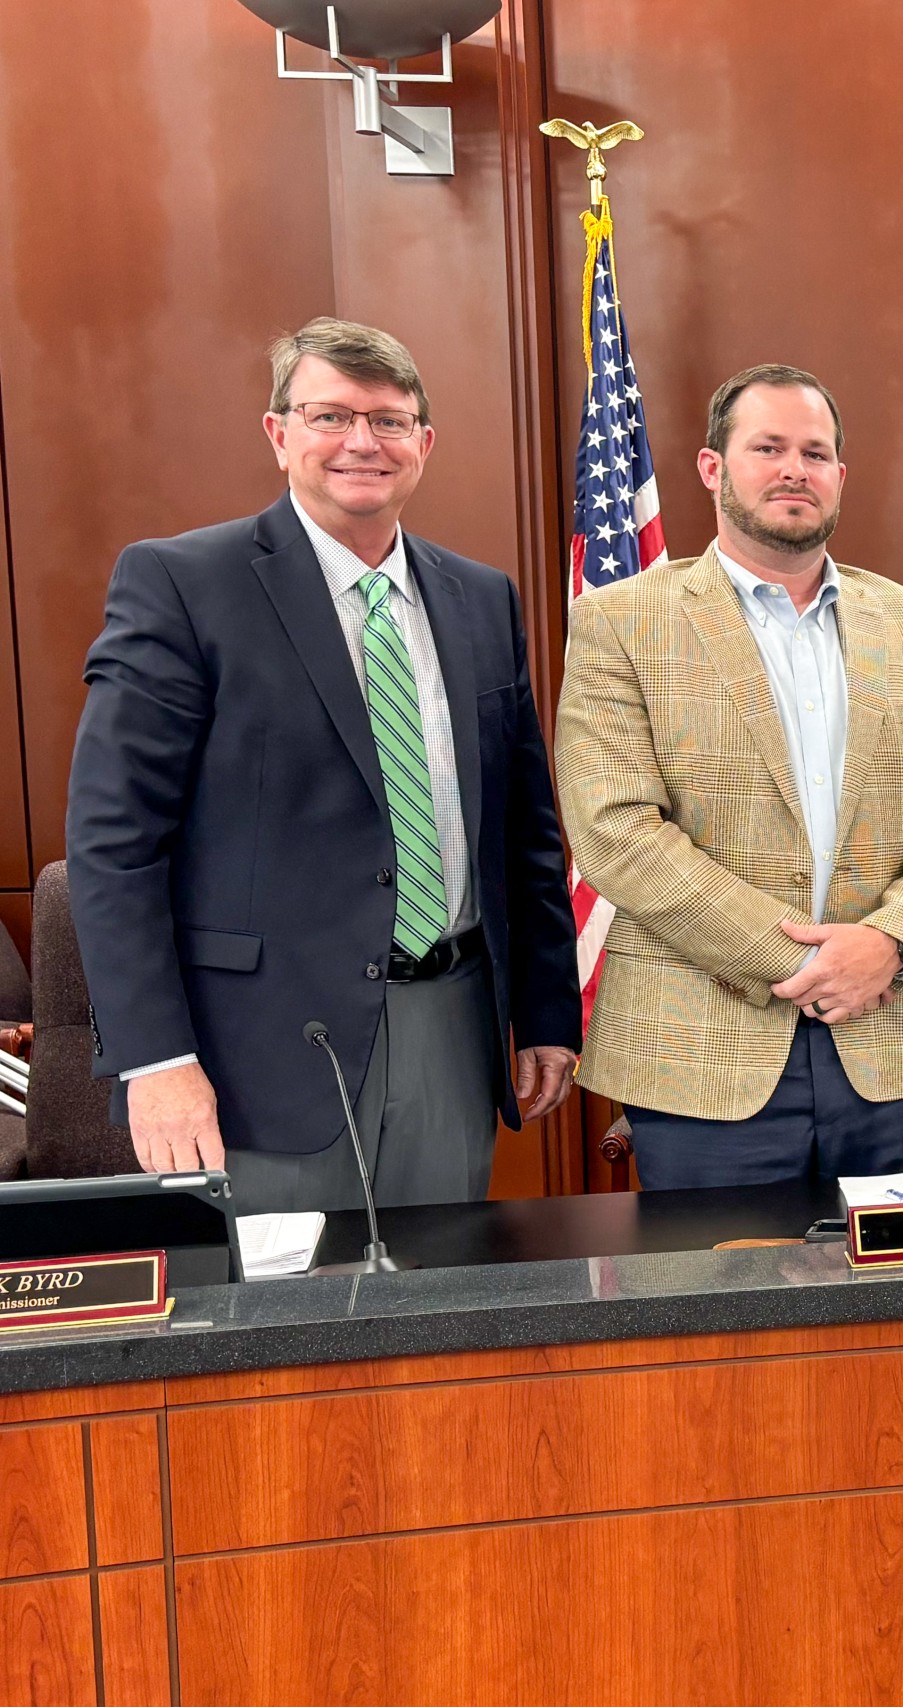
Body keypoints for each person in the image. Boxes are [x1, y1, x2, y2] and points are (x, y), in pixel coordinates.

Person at [66, 318, 581, 1211]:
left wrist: (542, 1011)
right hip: (257, 1056)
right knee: (279, 1332)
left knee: (440, 1312)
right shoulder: (183, 585)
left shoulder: (481, 598)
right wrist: (157, 1060)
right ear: (279, 433)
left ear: (423, 442)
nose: (360, 443)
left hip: (450, 1026)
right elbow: (115, 846)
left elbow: (522, 832)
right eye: (329, 415)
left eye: (387, 420)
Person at [554, 364, 903, 1187]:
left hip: (894, 1045)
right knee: (721, 1312)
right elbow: (615, 828)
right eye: (768, 447)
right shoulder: (621, 622)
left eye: (815, 451)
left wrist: (890, 944)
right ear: (712, 467)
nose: (795, 468)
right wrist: (804, 963)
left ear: (839, 476)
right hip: (701, 1059)